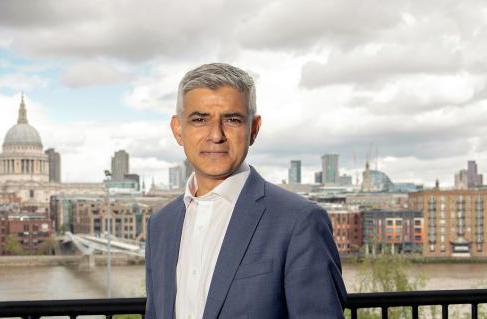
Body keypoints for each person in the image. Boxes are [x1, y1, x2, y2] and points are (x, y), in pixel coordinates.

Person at [145, 63, 347, 319]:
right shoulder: (161, 224)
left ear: (253, 129)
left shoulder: (299, 222)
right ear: (178, 130)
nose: (215, 135)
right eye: (199, 120)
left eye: (232, 119)